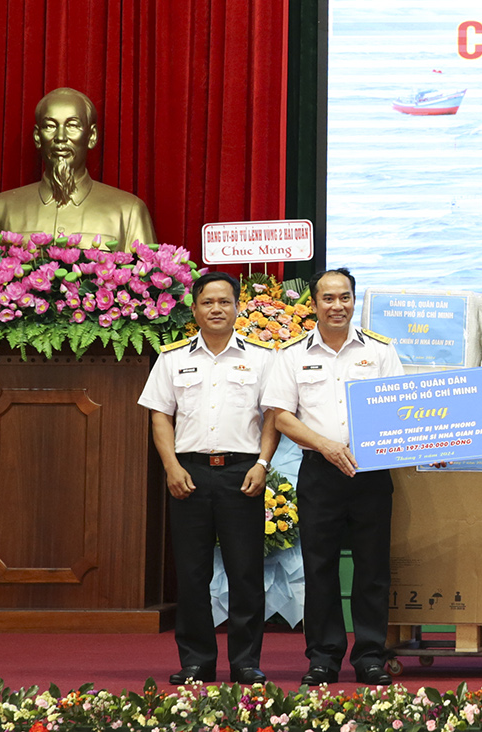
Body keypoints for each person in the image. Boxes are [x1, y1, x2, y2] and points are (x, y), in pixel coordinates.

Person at [263, 267, 404, 687]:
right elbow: (281, 416)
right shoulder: (292, 354)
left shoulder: (380, 351)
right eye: (328, 298)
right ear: (314, 304)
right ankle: (323, 658)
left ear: (354, 301)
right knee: (319, 567)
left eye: (345, 297)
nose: (337, 306)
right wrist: (326, 445)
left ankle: (370, 656)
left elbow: (401, 409)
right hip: (320, 472)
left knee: (372, 569)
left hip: (370, 471)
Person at [138, 271, 278, 684]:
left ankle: (245, 662)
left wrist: (262, 464)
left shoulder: (262, 358)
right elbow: (160, 416)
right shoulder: (172, 358)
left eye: (224, 302)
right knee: (192, 573)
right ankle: (196, 661)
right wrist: (171, 467)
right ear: (195, 309)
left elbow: (274, 416)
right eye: (208, 302)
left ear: (237, 307)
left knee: (246, 572)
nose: (216, 309)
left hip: (242, 472)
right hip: (190, 473)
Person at [0, 87, 157, 249]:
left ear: (92, 136)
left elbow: (145, 274)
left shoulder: (129, 212)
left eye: (72, 126)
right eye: (50, 126)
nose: (61, 137)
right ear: (38, 137)